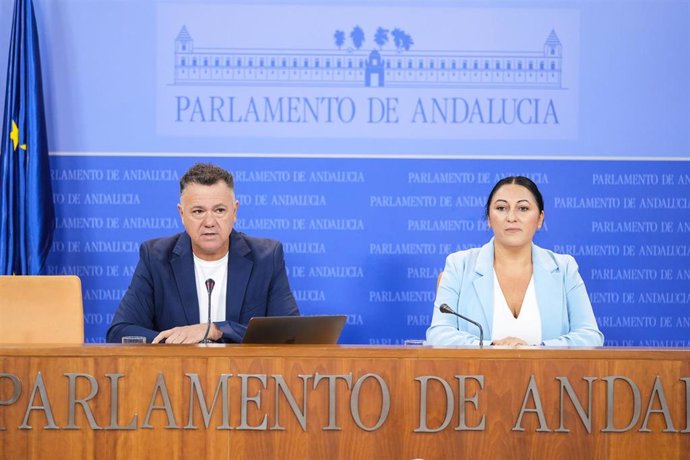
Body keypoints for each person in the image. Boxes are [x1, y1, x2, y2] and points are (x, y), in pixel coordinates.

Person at [107, 163, 299, 344]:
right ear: (182, 214)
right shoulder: (156, 258)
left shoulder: (266, 258)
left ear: (235, 211)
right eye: (198, 211)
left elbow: (290, 333)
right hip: (178, 374)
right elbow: (120, 331)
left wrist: (216, 330)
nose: (209, 222)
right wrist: (180, 340)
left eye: (219, 210)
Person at [426, 176, 604, 347]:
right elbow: (439, 334)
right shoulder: (459, 265)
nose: (511, 217)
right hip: (474, 376)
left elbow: (590, 336)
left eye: (523, 209)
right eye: (501, 208)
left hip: (549, 377)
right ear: (488, 218)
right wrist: (491, 347)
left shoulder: (564, 268)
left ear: (540, 219)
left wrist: (536, 349)